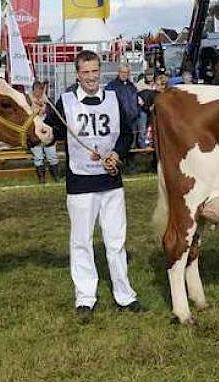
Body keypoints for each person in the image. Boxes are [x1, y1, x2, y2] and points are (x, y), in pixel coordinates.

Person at [44, 50, 144, 323]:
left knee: (116, 241)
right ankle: (85, 298)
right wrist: (42, 132)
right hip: (80, 184)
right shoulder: (64, 102)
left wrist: (118, 154)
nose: (90, 76)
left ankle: (125, 295)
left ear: (101, 71)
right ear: (77, 74)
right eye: (85, 72)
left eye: (94, 71)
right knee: (81, 242)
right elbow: (49, 133)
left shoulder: (112, 98)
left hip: (111, 182)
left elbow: (125, 134)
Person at [28, 81, 61, 183]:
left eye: (41, 89)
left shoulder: (48, 101)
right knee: (38, 157)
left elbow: (54, 116)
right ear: (33, 90)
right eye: (37, 89)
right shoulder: (28, 101)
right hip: (35, 134)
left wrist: (45, 107)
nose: (39, 92)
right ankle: (41, 179)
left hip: (47, 133)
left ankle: (56, 178)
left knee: (52, 156)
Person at [105, 64, 142, 148]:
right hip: (119, 120)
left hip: (132, 119)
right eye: (122, 72)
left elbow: (136, 100)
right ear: (118, 73)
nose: (124, 74)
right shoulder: (111, 86)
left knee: (131, 144)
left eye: (126, 72)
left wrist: (137, 112)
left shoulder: (131, 86)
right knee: (120, 143)